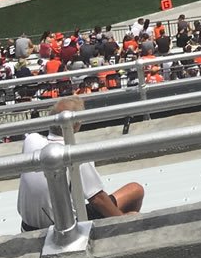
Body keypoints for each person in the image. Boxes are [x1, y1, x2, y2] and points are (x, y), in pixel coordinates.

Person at [17, 98, 144, 231]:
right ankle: (123, 235)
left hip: (27, 227)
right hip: (62, 228)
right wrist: (124, 220)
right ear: (77, 125)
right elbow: (98, 199)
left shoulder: (31, 140)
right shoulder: (74, 154)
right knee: (136, 191)